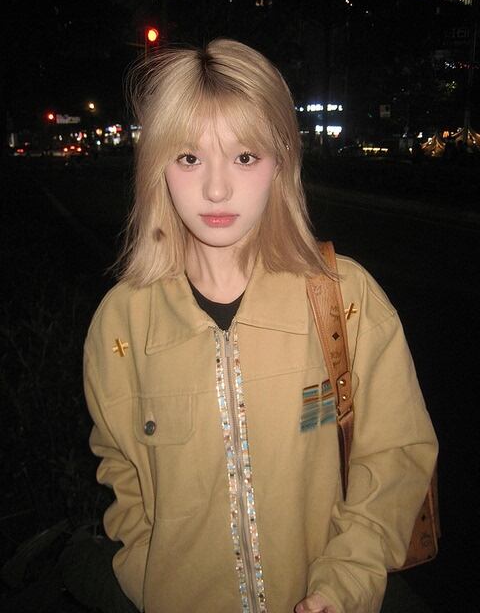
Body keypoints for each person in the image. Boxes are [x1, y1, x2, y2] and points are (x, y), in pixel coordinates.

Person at [83, 39, 438, 613]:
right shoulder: (121, 325)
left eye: (245, 157)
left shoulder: (346, 298)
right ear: (157, 167)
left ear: (281, 162)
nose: (216, 188)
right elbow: (121, 470)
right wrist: (149, 579)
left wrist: (345, 584)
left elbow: (396, 458)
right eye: (189, 157)